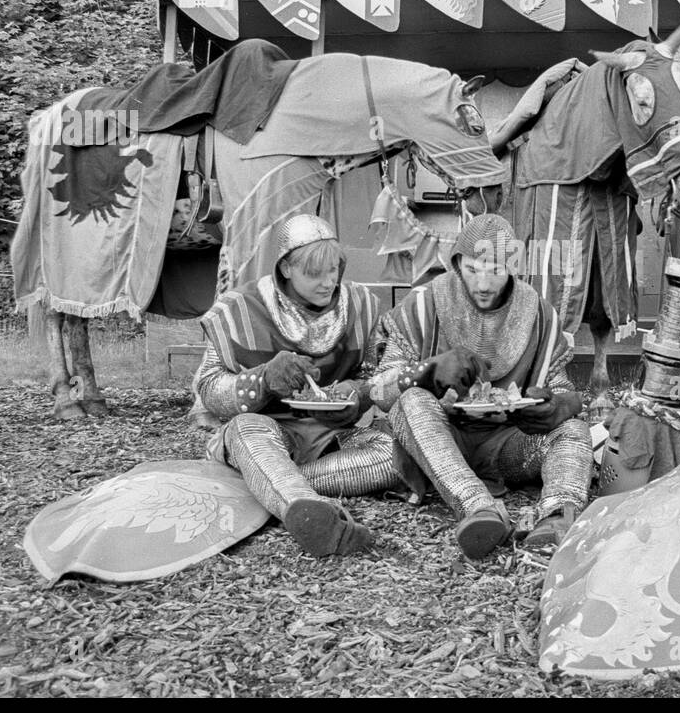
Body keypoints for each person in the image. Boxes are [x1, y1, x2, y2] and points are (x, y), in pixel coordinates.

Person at [371, 214, 592, 559]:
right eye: (474, 270)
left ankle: (557, 515)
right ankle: (479, 509)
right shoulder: (423, 305)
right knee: (411, 400)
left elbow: (561, 387)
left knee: (575, 430)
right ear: (457, 264)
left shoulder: (539, 314)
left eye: (496, 270)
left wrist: (560, 405)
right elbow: (379, 390)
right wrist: (427, 371)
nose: (484, 284)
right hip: (438, 435)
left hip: (506, 444)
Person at [194, 214, 406, 557]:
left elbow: (379, 374)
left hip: (334, 436)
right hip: (268, 429)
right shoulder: (238, 309)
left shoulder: (362, 305)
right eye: (314, 273)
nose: (328, 282)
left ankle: (269, 483)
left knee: (396, 455)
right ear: (286, 268)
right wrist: (261, 380)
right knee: (247, 429)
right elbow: (209, 388)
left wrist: (358, 393)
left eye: (334, 270)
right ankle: (303, 506)